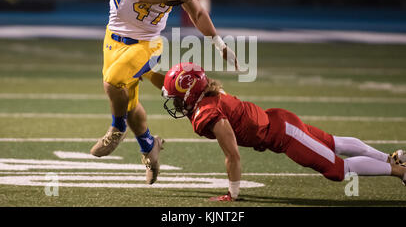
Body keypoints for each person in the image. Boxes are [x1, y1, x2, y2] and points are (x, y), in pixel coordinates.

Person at [90, 0, 239, 185]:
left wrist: (219, 44)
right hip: (113, 37)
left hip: (149, 42)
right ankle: (149, 146)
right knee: (130, 100)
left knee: (113, 82)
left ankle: (117, 128)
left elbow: (197, 13)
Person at [161, 62, 406, 201]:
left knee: (337, 170)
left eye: (177, 97)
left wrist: (232, 194)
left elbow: (233, 155)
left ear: (191, 92)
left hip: (285, 134)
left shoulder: (209, 112)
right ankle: (391, 158)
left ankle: (400, 171)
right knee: (333, 143)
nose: (175, 103)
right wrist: (148, 74)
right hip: (280, 121)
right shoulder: (209, 95)